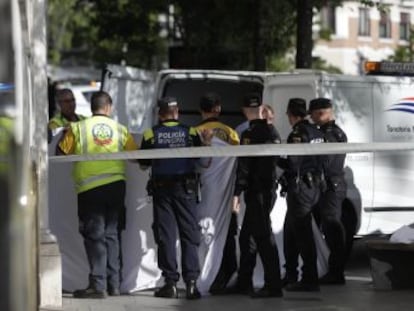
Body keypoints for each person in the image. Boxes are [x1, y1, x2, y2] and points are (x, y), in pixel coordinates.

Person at [56, 91, 138, 298]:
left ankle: (98, 286)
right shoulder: (120, 129)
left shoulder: (78, 128)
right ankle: (115, 285)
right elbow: (136, 156)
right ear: (108, 107)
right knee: (112, 235)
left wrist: (66, 134)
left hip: (90, 190)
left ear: (92, 108)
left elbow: (60, 153)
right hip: (116, 187)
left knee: (95, 237)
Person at [139, 97, 212, 300]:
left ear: (160, 114)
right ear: (177, 112)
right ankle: (191, 284)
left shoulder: (150, 134)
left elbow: (144, 164)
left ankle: (170, 284)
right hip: (186, 190)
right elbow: (203, 161)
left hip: (163, 191)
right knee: (189, 235)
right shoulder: (190, 132)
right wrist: (206, 144)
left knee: (166, 236)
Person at [232, 93, 283, 298]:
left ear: (245, 111)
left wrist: (236, 193)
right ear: (261, 109)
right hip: (268, 190)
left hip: (257, 192)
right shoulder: (272, 131)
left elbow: (244, 167)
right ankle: (244, 282)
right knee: (248, 237)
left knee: (263, 238)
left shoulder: (250, 134)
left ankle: (273, 285)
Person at [278, 98, 325, 292]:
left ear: (291, 114)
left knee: (303, 237)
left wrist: (275, 159)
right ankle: (291, 274)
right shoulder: (317, 132)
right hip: (314, 186)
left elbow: (293, 163)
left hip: (301, 189)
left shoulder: (297, 134)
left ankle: (309, 279)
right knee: (290, 233)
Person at [195, 92, 240, 294]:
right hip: (225, 193)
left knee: (200, 229)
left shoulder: (194, 132)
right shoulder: (231, 133)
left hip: (201, 191)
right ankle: (224, 272)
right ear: (218, 109)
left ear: (200, 111)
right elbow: (237, 160)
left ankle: (201, 270)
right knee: (225, 231)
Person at [309, 97, 347, 285]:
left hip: (331, 185)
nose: (312, 118)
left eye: (314, 114)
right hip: (328, 185)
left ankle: (336, 272)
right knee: (327, 227)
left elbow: (326, 160)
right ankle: (330, 269)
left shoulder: (332, 134)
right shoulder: (325, 132)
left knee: (332, 227)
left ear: (321, 113)